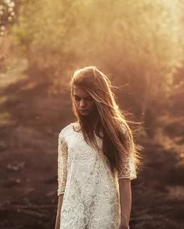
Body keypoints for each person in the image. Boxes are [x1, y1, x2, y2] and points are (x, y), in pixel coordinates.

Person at [55, 66, 140, 229]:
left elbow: (124, 179)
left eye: (88, 99)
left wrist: (124, 223)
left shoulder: (117, 131)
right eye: (77, 98)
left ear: (100, 97)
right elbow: (63, 186)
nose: (82, 105)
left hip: (104, 216)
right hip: (72, 218)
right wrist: (58, 224)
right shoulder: (66, 135)